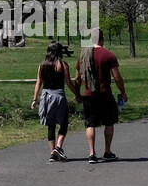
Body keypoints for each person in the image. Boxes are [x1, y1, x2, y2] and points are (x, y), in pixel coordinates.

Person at [75, 26, 127, 163]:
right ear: (102, 39)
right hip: (105, 94)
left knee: (90, 123)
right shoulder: (109, 55)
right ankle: (107, 151)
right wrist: (123, 92)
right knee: (109, 122)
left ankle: (92, 153)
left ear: (91, 39)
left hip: (88, 94)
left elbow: (78, 78)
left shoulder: (83, 55)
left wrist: (77, 93)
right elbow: (117, 77)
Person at [30, 41, 77, 162]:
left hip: (46, 96)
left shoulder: (42, 65)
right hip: (58, 96)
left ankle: (52, 153)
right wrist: (77, 94)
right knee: (64, 122)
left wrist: (35, 99)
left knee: (50, 125)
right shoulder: (62, 64)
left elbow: (38, 83)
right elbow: (68, 82)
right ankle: (58, 147)